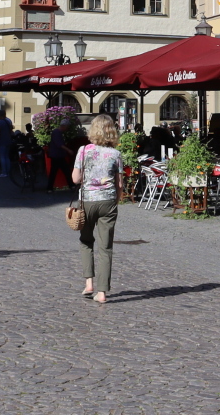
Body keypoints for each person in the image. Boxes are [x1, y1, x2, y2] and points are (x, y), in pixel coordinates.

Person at [72, 114, 123, 305]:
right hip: (108, 201)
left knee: (86, 240)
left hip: (88, 201)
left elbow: (76, 179)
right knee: (106, 247)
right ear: (111, 131)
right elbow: (120, 184)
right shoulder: (116, 154)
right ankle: (102, 293)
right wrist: (115, 201)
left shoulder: (84, 150)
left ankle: (89, 283)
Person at [0, 106, 15, 178]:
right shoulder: (8, 122)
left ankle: (4, 172)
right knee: (7, 157)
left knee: (2, 157)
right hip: (8, 141)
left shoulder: (0, 123)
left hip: (2, 142)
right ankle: (8, 172)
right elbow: (11, 131)